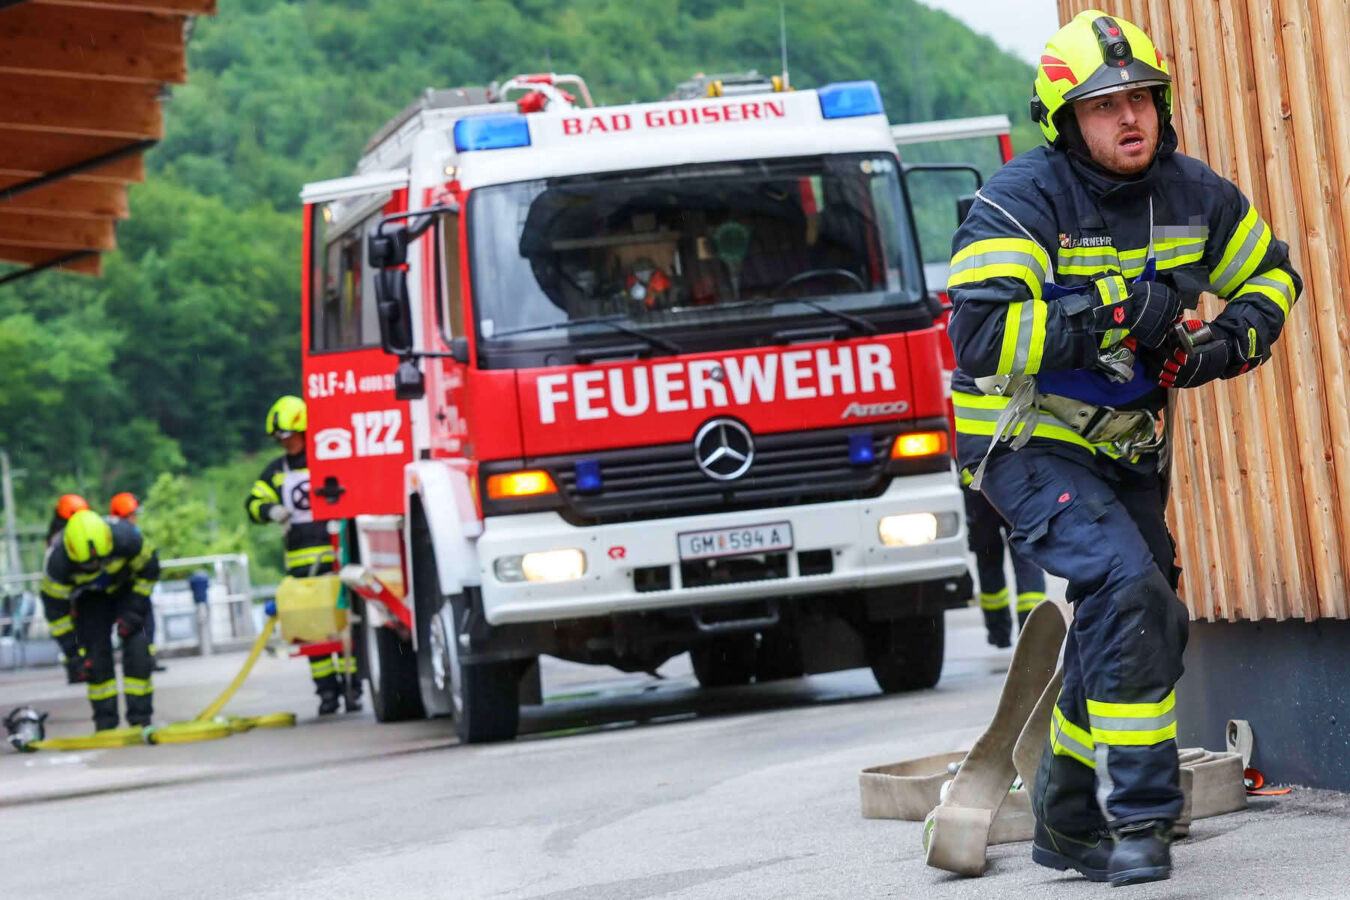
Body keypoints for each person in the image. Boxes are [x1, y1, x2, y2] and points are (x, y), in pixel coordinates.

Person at [947, 9, 1300, 886]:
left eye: (1142, 97)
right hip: (1024, 445)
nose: (1130, 117)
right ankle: (1140, 820)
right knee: (1125, 584)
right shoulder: (1018, 201)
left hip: (1125, 450)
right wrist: (1107, 314)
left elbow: (1272, 275)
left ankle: (1064, 818)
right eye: (1105, 106)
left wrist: (1217, 347)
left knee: (1147, 616)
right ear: (1065, 121)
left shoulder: (1192, 192)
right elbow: (980, 339)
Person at [245, 395, 360, 715]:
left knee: (347, 628)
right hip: (300, 571)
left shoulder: (327, 460)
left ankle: (353, 688)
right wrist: (270, 510)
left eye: (288, 436)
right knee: (312, 631)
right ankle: (327, 694)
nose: (285, 444)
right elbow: (252, 503)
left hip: (337, 562)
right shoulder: (276, 472)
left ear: (303, 431)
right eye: (280, 439)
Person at [39, 510, 160, 731]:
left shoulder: (127, 539)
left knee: (139, 653)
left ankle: (141, 721)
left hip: (129, 594)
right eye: (89, 564)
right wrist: (72, 653)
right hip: (91, 601)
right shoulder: (58, 563)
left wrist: (133, 612)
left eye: (101, 559)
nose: (96, 564)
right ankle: (105, 724)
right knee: (95, 661)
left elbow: (149, 572)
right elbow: (57, 613)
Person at [963, 476, 1047, 648]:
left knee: (988, 559)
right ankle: (1031, 632)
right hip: (1017, 483)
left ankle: (999, 632)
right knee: (1027, 557)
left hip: (977, 487)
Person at [42, 493, 90, 683]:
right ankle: (79, 667)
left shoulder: (55, 535)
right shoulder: (63, 537)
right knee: (76, 631)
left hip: (60, 593)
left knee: (70, 632)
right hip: (63, 593)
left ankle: (77, 667)